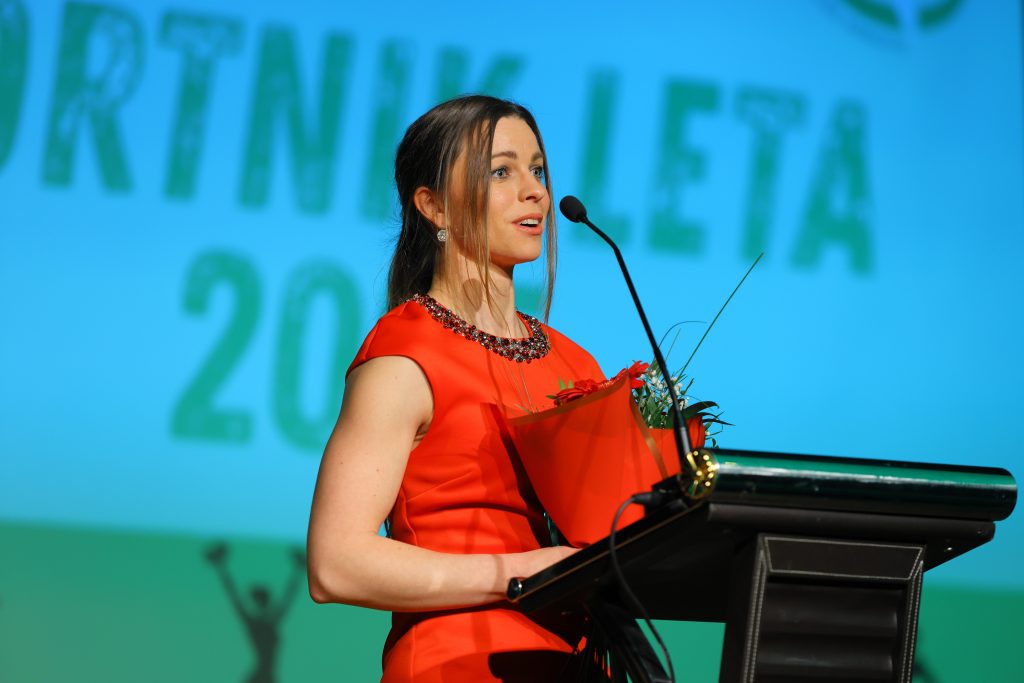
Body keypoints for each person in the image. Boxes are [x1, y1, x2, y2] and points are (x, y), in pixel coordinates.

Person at [306, 95, 605, 682]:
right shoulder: (404, 356)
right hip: (459, 664)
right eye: (502, 172)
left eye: (537, 170)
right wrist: (519, 573)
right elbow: (335, 563)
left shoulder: (576, 363)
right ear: (434, 206)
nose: (535, 192)